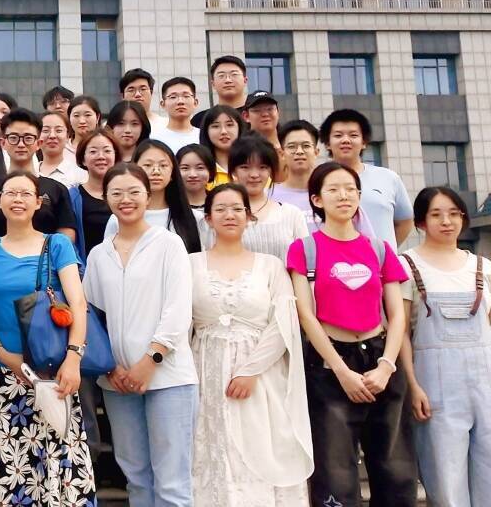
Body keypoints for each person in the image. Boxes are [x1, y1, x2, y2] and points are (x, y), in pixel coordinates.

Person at [286, 161, 415, 507]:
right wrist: (341, 371)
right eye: (333, 189)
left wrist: (387, 366)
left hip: (380, 358)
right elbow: (305, 315)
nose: (343, 196)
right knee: (335, 472)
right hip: (329, 364)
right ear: (316, 199)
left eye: (350, 189)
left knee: (395, 467)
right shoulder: (304, 249)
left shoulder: (379, 248)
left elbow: (397, 315)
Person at [190, 183, 312, 505]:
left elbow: (283, 322)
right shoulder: (190, 264)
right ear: (208, 218)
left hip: (261, 374)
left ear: (249, 217)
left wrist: (251, 370)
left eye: (237, 209)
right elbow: (182, 323)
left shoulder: (270, 265)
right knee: (214, 448)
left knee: (259, 446)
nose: (229, 215)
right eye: (220, 209)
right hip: (205, 370)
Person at [83, 164, 197, 507]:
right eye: (116, 193)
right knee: (136, 477)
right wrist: (110, 368)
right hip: (117, 382)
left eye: (134, 192)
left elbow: (178, 309)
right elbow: (93, 317)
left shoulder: (169, 245)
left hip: (168, 377)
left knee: (172, 482)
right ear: (106, 199)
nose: (126, 199)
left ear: (148, 196)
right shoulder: (99, 254)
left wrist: (151, 360)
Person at [0, 171, 94, 507]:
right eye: (11, 193)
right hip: (6, 374)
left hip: (53, 370)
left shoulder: (57, 244)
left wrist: (73, 358)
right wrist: (3, 354)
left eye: (25, 194)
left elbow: (78, 303)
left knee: (61, 461)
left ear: (38, 202)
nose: (18, 199)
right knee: (14, 465)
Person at [399, 187, 491, 507]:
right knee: (445, 477)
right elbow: (401, 333)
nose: (446, 221)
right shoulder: (406, 265)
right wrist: (413, 386)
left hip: (485, 384)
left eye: (454, 213)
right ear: (420, 222)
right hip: (434, 386)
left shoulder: (482, 266)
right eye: (436, 214)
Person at [0, 109, 76, 242]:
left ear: (38, 143)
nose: (21, 144)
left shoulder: (57, 189)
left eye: (28, 138)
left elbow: (66, 241)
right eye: (13, 138)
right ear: (2, 143)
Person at [320, 109, 415, 248]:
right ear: (328, 143)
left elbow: (405, 221)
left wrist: (385, 251)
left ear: (364, 142)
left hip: (380, 260)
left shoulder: (389, 178)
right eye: (338, 135)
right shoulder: (317, 180)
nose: (345, 140)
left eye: (353, 135)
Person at [102, 139, 204, 253]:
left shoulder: (195, 218)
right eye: (148, 165)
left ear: (172, 173)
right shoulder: (118, 219)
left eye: (163, 165)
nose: (156, 171)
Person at [223, 137, 309, 259]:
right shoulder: (221, 215)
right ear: (233, 171)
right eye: (245, 167)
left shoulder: (291, 214)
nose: (254, 175)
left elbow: (305, 261)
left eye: (262, 167)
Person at [70, 129, 119, 262]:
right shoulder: (73, 197)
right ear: (83, 159)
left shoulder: (126, 195)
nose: (101, 156)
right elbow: (70, 244)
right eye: (93, 151)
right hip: (87, 270)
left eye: (107, 151)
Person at [150, 77, 200, 155]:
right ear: (163, 104)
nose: (180, 101)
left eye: (186, 96)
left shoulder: (204, 136)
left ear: (195, 102)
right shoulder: (154, 139)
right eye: (173, 97)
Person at [38, 109, 87, 187]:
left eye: (58, 130)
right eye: (45, 130)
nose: (52, 136)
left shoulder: (80, 175)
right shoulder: (30, 172)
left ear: (67, 136)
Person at [198, 105, 243, 189]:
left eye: (229, 125)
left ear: (240, 128)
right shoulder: (200, 170)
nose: (223, 131)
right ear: (206, 131)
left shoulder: (252, 165)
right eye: (215, 126)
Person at [177, 144, 214, 211]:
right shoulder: (167, 205)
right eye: (185, 168)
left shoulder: (220, 201)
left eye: (200, 168)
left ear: (210, 172)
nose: (193, 175)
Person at [66, 95, 102, 160]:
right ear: (69, 118)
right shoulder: (62, 149)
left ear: (97, 117)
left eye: (87, 115)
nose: (82, 121)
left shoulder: (107, 145)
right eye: (76, 115)